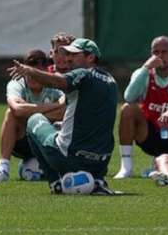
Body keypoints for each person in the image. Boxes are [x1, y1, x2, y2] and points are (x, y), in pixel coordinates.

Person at [7, 38, 118, 195]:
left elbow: (58, 82)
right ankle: (97, 180)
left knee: (34, 120)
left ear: (90, 57)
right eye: (67, 54)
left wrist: (29, 70)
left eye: (74, 54)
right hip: (101, 162)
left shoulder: (83, 74)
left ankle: (56, 183)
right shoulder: (111, 80)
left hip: (71, 158)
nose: (68, 58)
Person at [114, 36, 168, 179]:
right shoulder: (143, 73)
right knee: (128, 108)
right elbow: (129, 96)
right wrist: (146, 68)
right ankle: (126, 167)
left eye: (164, 52)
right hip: (149, 134)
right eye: (155, 52)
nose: (159, 56)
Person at [0, 49, 65, 182]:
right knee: (10, 114)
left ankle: (32, 167)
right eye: (30, 73)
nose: (32, 77)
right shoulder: (16, 83)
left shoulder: (54, 85)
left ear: (44, 73)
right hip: (22, 140)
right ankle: (3, 169)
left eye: (36, 73)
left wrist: (29, 111)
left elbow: (65, 111)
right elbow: (17, 109)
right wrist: (53, 106)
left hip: (46, 139)